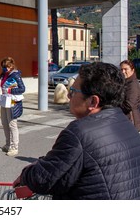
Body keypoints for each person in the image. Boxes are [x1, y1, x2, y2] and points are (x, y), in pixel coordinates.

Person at [13, 62, 140, 199]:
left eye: (73, 91)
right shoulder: (126, 124)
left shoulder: (79, 133)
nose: (68, 96)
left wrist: (26, 174)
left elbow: (44, 179)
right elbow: (68, 172)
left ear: (93, 102)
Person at [0, 57, 25, 156]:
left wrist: (10, 90)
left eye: (7, 67)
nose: (5, 69)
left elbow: (22, 89)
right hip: (5, 100)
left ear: (11, 66)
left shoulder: (16, 75)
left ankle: (14, 147)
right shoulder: (4, 75)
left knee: (12, 124)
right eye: (3, 67)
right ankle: (8, 144)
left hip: (13, 101)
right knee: (5, 123)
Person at [119, 59, 140, 131]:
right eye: (121, 69)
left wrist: (114, 107)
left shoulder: (132, 84)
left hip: (131, 122)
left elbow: (129, 105)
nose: (123, 72)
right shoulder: (125, 83)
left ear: (132, 70)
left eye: (125, 69)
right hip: (126, 120)